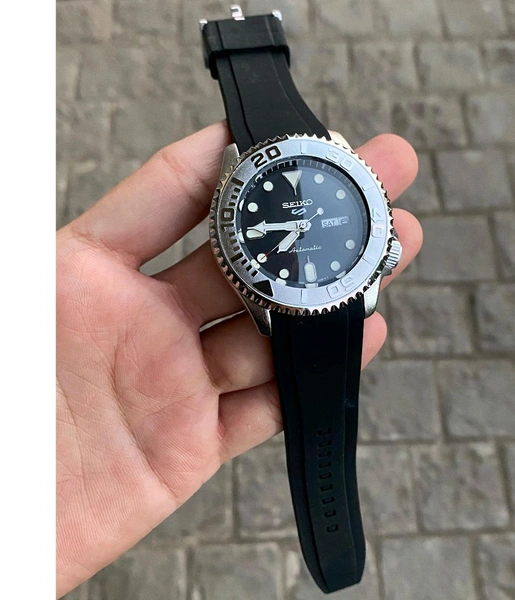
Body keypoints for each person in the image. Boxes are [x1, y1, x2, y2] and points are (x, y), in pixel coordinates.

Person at [56, 121, 423, 597]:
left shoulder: (334, 164)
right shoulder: (254, 196)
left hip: (333, 290)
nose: (303, 226)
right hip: (284, 300)